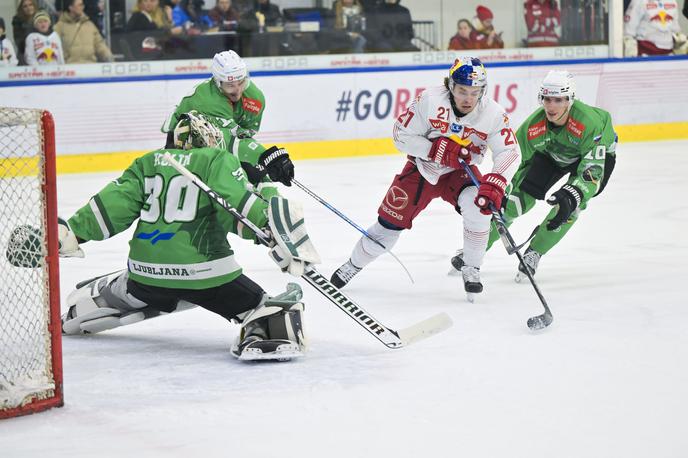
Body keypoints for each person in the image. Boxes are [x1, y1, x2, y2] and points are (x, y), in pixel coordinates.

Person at [56, 112, 317, 361]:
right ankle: (260, 332)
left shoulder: (147, 162)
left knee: (135, 285)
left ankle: (94, 304)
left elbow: (111, 207)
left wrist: (73, 233)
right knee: (265, 309)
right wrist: (270, 221)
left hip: (145, 274)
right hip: (204, 277)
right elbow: (238, 208)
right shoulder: (216, 160)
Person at [330, 57, 521, 300]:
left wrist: (496, 181)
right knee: (388, 225)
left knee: (479, 208)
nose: (468, 99)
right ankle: (353, 265)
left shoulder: (493, 113)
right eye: (463, 91)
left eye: (475, 92)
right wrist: (435, 150)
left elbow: (510, 151)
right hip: (422, 169)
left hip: (461, 173)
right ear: (451, 86)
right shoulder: (429, 101)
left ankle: (472, 267)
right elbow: (400, 135)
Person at [452, 70, 617, 282]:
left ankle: (534, 252)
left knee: (569, 207)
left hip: (591, 159)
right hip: (552, 155)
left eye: (558, 100)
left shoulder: (589, 124)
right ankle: (476, 249)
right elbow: (512, 160)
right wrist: (501, 189)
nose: (551, 106)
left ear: (570, 100)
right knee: (510, 204)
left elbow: (592, 170)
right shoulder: (534, 126)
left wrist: (574, 193)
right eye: (547, 99)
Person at [162, 50, 295, 188]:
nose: (237, 90)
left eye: (241, 82)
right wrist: (265, 156)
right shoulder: (207, 100)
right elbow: (225, 138)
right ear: (218, 83)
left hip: (215, 138)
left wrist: (259, 160)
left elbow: (242, 136)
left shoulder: (255, 99)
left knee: (250, 174)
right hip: (182, 141)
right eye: (230, 85)